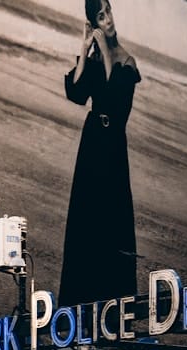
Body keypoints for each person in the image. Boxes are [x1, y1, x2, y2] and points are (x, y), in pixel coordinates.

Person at [57, 0, 140, 306]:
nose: (108, 20)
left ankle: (112, 298)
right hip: (92, 141)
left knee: (111, 217)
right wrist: (84, 48)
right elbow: (77, 93)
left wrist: (103, 50)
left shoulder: (127, 62)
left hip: (113, 144)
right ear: (94, 22)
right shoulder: (93, 58)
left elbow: (114, 98)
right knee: (85, 215)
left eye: (109, 12)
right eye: (100, 16)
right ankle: (79, 298)